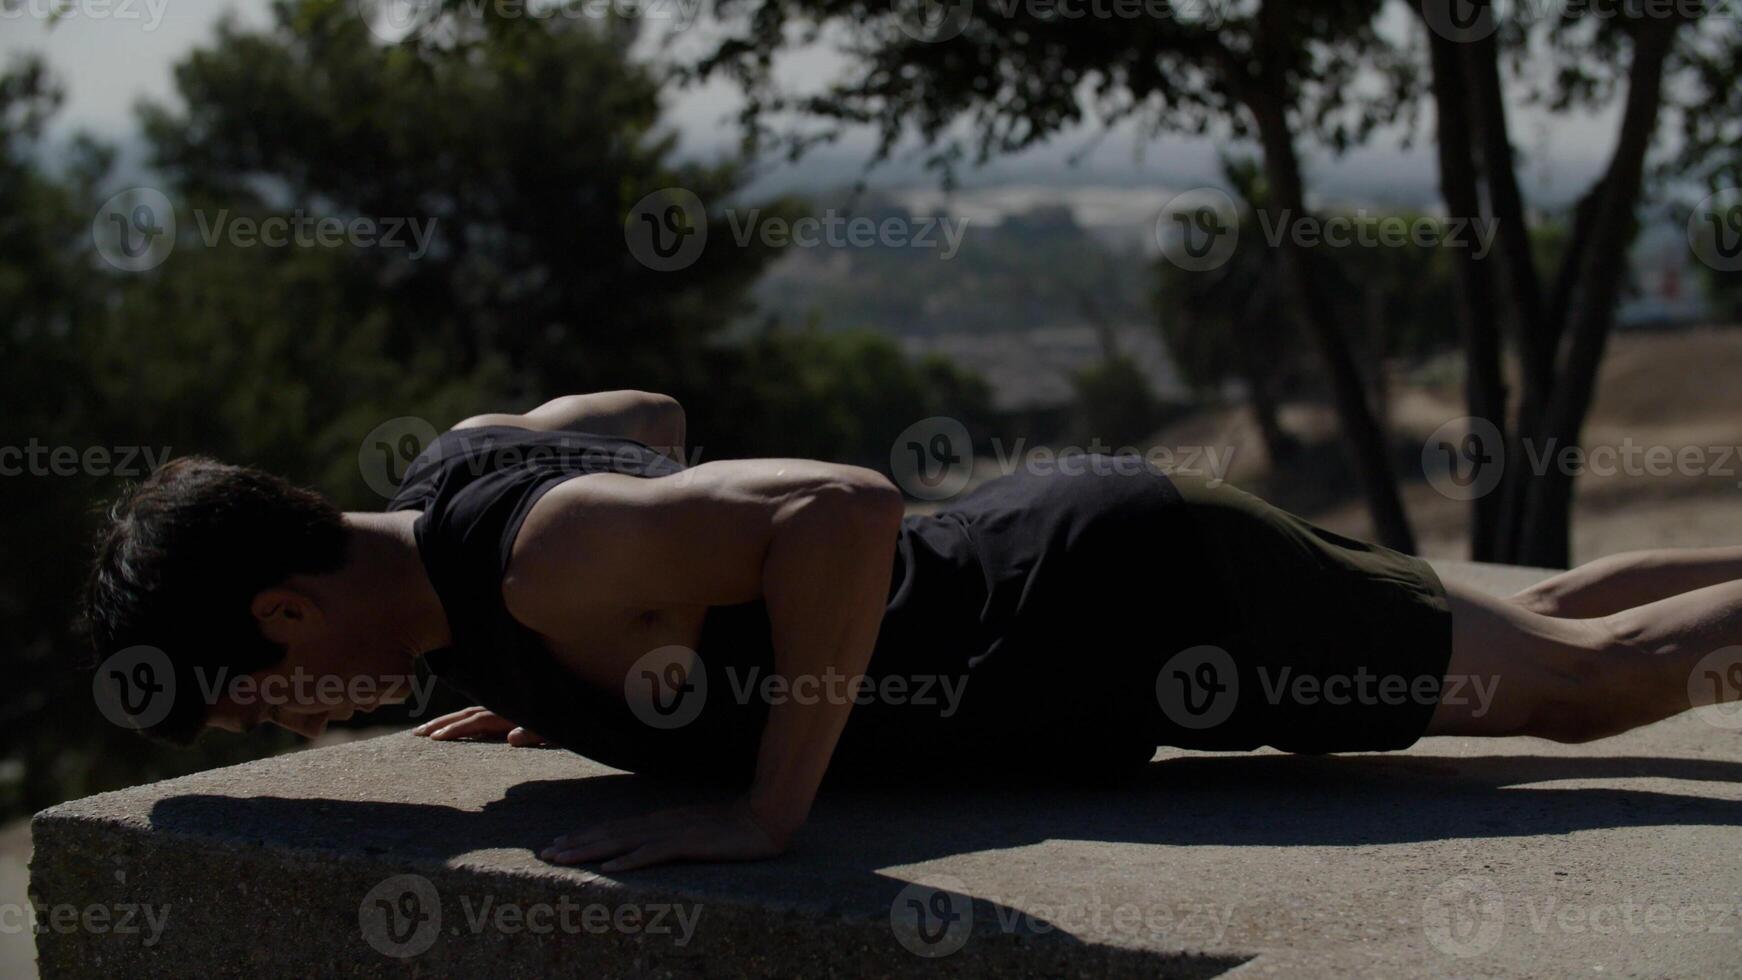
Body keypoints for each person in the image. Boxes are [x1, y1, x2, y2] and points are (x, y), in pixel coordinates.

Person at [81, 390, 1742, 872]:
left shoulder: (538, 556)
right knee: (1547, 610)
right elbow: (642, 412)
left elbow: (845, 508)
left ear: (288, 609)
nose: (297, 728)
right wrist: (627, 669)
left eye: (264, 705)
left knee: (1581, 698)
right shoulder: (465, 492)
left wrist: (769, 801)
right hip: (1107, 546)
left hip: (1135, 612)